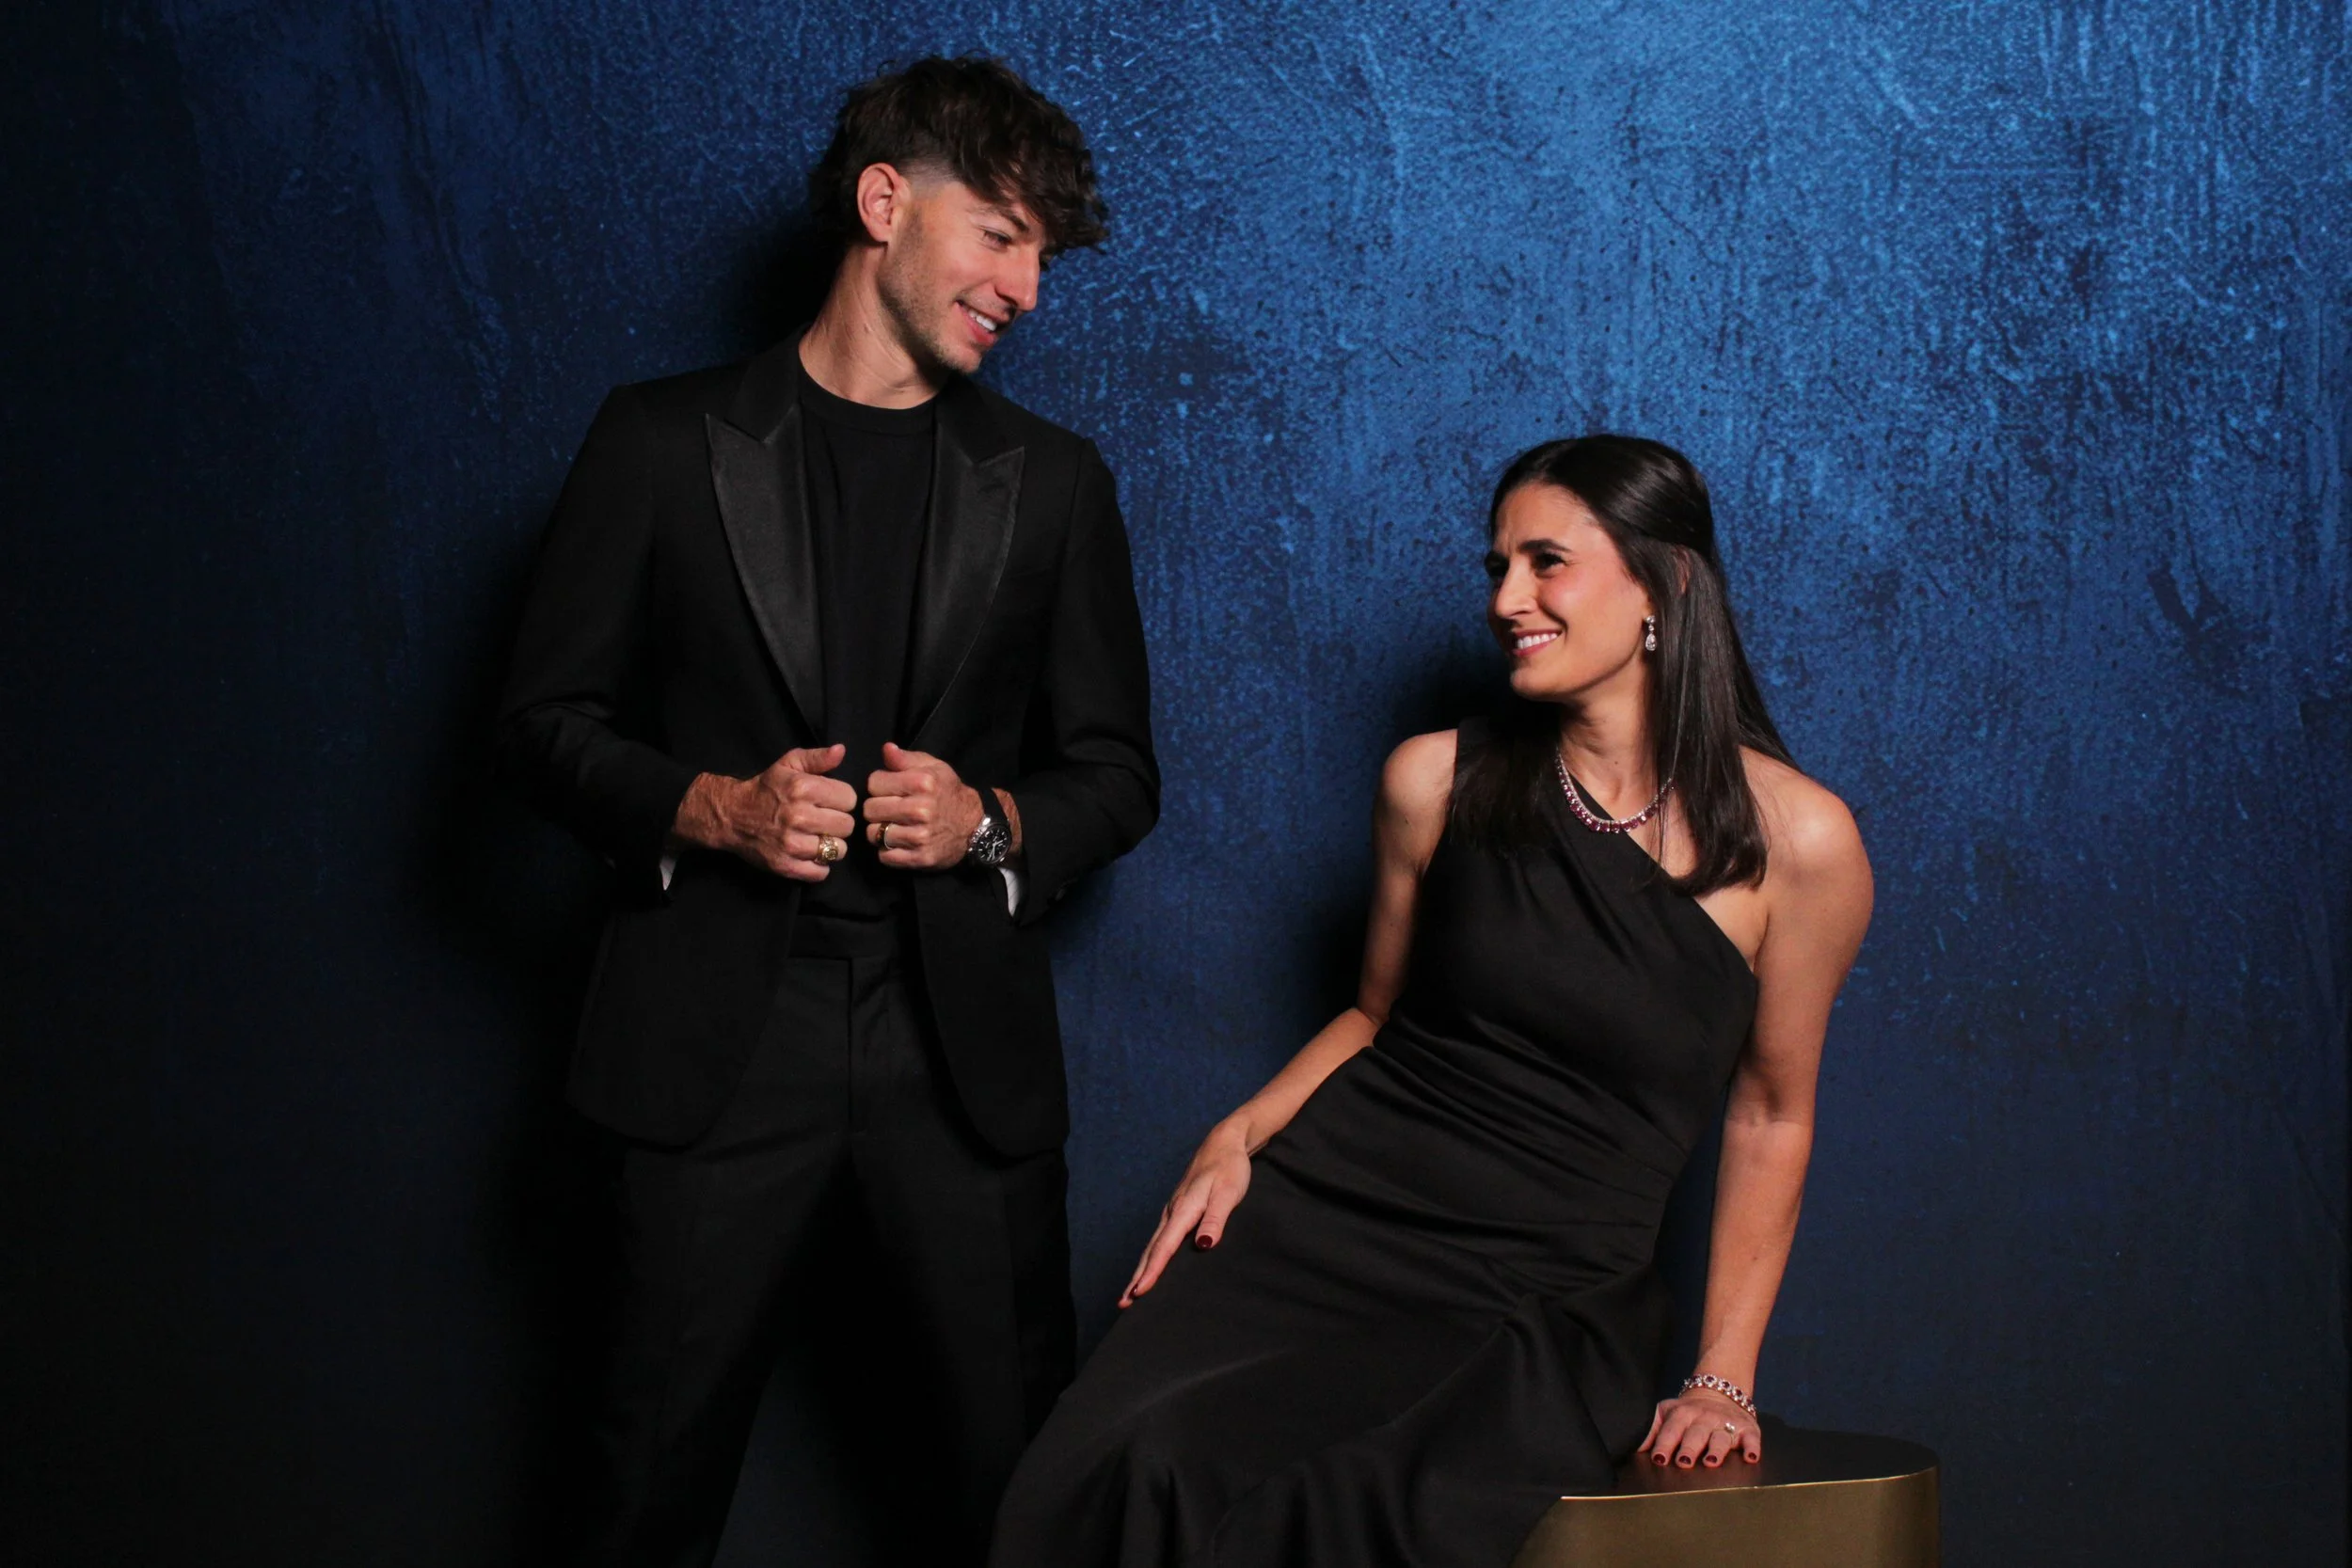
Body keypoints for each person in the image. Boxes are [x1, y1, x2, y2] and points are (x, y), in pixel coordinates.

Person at [989, 435, 1873, 1567]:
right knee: (1117, 1457)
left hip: (1540, 1287)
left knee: (1337, 1496)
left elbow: (1770, 1113)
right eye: (1496, 566)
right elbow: (1373, 1017)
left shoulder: (1799, 845)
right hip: (1326, 1221)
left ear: (1667, 581)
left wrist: (1720, 1375)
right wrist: (1240, 1130)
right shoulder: (1432, 780)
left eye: (1545, 561)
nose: (1507, 600)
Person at [496, 56, 1157, 1568]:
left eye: (1043, 254)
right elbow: (535, 726)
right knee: (637, 1483)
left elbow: (1117, 772)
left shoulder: (1054, 485)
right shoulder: (660, 442)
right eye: (1002, 235)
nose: (1029, 288)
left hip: (961, 1065)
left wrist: (988, 819)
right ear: (884, 203)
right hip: (713, 1045)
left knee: (1014, 1501)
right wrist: (709, 805)